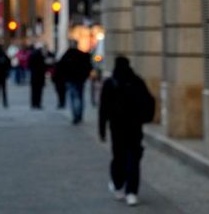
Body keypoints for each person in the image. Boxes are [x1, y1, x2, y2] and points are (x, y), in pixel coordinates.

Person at [99, 56, 155, 207]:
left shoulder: (110, 83)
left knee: (120, 158)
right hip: (133, 127)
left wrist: (102, 130)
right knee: (132, 159)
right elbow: (150, 101)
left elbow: (103, 110)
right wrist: (145, 118)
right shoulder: (136, 81)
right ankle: (130, 191)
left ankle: (120, 185)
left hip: (118, 128)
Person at [58, 40, 94, 124]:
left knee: (74, 97)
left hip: (73, 80)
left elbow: (60, 67)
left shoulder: (67, 55)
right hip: (78, 80)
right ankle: (78, 115)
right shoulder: (80, 55)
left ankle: (76, 115)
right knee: (79, 97)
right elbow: (88, 67)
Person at [28, 45, 47, 109]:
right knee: (39, 91)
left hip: (34, 76)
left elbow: (29, 65)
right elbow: (44, 67)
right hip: (40, 76)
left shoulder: (32, 56)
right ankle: (38, 103)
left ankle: (33, 104)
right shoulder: (41, 57)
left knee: (34, 91)